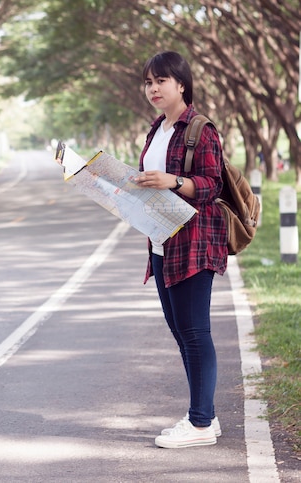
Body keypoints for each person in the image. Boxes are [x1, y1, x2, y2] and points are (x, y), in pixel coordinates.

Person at [134, 51, 228, 449]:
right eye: (149, 82)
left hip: (192, 241)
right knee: (180, 332)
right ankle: (202, 415)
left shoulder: (200, 129)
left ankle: (201, 424)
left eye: (162, 81)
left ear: (181, 84)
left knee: (194, 333)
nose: (154, 89)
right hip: (161, 242)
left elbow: (211, 185)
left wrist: (173, 181)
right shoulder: (157, 128)